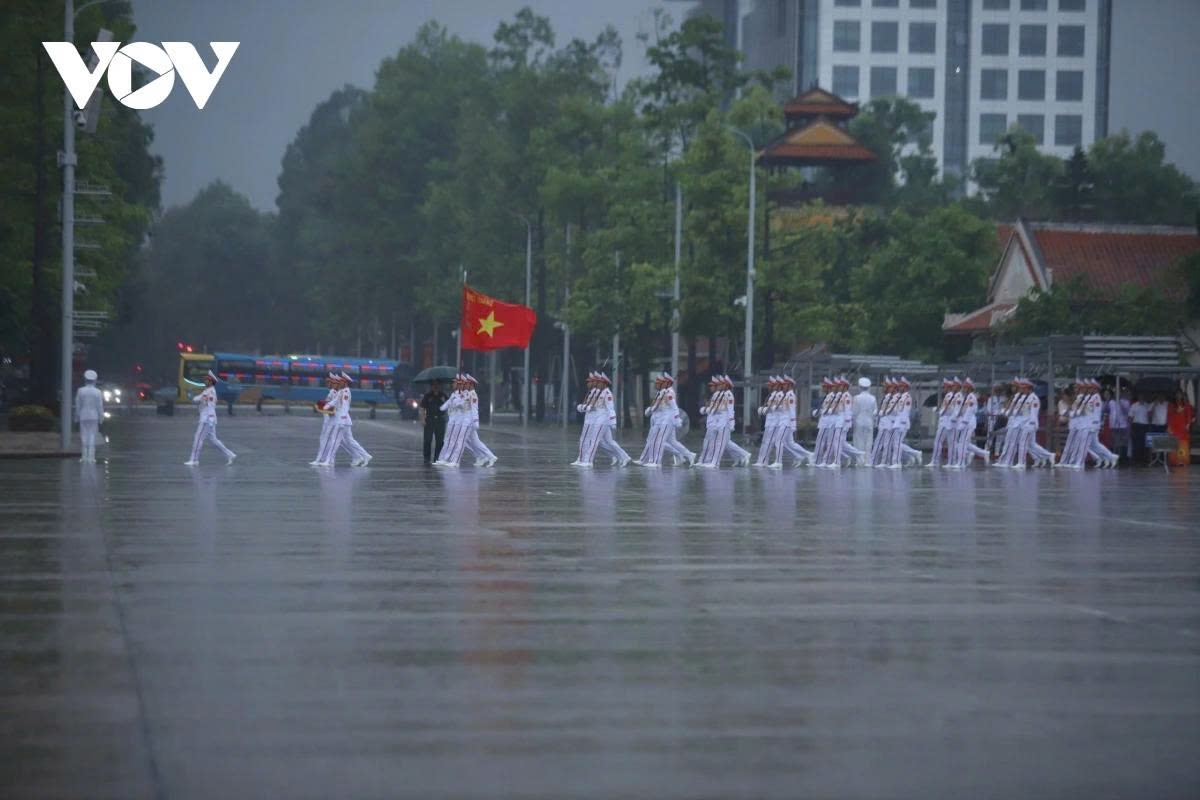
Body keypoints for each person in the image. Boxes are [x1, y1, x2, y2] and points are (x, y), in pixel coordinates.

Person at [636, 372, 693, 467]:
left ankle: (656, 462)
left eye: (659, 383)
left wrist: (677, 419)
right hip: (660, 420)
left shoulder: (669, 393)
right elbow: (657, 406)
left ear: (666, 383)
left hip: (667, 420)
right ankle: (688, 454)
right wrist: (650, 410)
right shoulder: (661, 392)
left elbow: (674, 407)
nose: (657, 384)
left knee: (659, 440)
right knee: (668, 441)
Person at [186, 370, 236, 466]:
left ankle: (194, 460)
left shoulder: (209, 391)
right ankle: (230, 454)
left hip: (206, 419)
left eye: (207, 380)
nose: (205, 381)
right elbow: (201, 398)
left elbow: (201, 399)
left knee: (198, 438)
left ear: (210, 381)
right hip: (211, 418)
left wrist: (192, 397)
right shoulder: (210, 391)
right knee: (213, 440)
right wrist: (193, 397)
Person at [460, 374, 496, 467]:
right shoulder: (468, 394)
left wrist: (475, 421)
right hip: (467, 421)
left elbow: (474, 409)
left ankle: (489, 456)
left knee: (472, 442)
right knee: (469, 441)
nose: (465, 385)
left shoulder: (473, 395)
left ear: (471, 384)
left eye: (467, 383)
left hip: (471, 422)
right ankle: (482, 456)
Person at [74, 369, 104, 463]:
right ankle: (91, 457)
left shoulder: (80, 391)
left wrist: (76, 417)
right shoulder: (98, 392)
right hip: (94, 416)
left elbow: (78, 405)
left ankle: (84, 456)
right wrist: (101, 417)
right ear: (95, 380)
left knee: (84, 435)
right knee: (92, 435)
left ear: (85, 379)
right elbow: (100, 406)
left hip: (83, 415)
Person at [419, 379, 449, 463]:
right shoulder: (427, 396)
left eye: (437, 385)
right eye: (434, 385)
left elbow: (450, 406)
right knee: (427, 440)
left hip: (440, 420)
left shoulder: (444, 396)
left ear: (440, 386)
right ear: (431, 386)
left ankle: (437, 458)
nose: (435, 387)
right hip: (429, 419)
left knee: (440, 441)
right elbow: (422, 408)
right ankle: (427, 457)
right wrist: (422, 419)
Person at [851, 377, 876, 467]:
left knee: (859, 441)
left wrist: (853, 422)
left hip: (859, 421)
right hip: (869, 421)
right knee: (869, 441)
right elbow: (875, 411)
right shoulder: (873, 398)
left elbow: (854, 412)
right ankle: (868, 461)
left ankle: (860, 460)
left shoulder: (856, 398)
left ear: (860, 387)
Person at [1167, 388, 1194, 466]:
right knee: (1174, 444)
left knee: (1183, 444)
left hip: (1182, 428)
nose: (1178, 396)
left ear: (1182, 395)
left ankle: (1183, 461)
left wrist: (1188, 425)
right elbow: (1169, 416)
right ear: (1174, 395)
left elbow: (1189, 416)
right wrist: (1169, 427)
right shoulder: (1171, 405)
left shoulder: (1186, 405)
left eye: (1180, 394)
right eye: (1177, 394)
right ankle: (1173, 461)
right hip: (1174, 427)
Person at [1107, 385, 1131, 464]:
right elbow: (1106, 410)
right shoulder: (1111, 402)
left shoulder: (1125, 402)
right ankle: (1114, 458)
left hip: (1123, 425)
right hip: (1114, 425)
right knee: (1115, 442)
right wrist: (1108, 400)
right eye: (1115, 392)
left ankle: (1123, 459)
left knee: (1123, 442)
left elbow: (1126, 411)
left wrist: (1120, 401)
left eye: (1118, 392)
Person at [1129, 392, 1150, 465]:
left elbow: (1149, 417)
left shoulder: (1147, 405)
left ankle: (1144, 460)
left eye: (1142, 396)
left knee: (1145, 444)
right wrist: (1130, 428)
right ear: (1138, 397)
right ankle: (1136, 460)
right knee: (1136, 444)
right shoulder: (1134, 405)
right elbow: (1130, 417)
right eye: (1140, 396)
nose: (1141, 397)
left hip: (1145, 426)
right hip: (1136, 426)